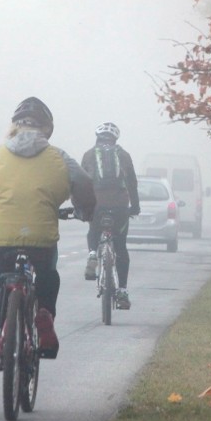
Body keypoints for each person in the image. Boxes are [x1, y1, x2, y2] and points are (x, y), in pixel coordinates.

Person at [0, 97, 95, 369]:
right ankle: (44, 313)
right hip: (41, 235)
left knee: (1, 278)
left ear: (15, 126)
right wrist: (84, 211)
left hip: (2, 235)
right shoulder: (60, 158)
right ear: (47, 128)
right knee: (47, 274)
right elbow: (83, 183)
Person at [81, 121, 139, 310]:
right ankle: (122, 290)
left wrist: (81, 207)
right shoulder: (124, 155)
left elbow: (81, 183)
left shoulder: (89, 155)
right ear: (115, 139)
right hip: (120, 207)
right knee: (121, 246)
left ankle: (92, 254)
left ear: (97, 137)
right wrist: (135, 207)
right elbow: (132, 183)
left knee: (93, 230)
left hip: (96, 205)